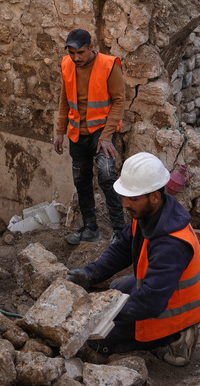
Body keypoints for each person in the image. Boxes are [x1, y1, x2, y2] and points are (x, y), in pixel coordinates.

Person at [66, 152, 200, 366]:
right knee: (118, 287)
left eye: (132, 198)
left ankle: (178, 335)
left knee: (99, 341)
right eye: (125, 196)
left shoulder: (171, 245)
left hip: (175, 310)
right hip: (162, 294)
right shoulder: (151, 213)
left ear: (154, 196)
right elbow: (121, 250)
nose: (125, 204)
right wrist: (90, 274)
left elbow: (149, 304)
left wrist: (100, 313)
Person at [53, 29, 126, 245]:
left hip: (101, 133)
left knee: (106, 175)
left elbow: (119, 101)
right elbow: (64, 100)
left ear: (91, 48)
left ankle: (120, 232)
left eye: (81, 52)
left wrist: (106, 136)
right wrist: (60, 131)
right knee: (81, 181)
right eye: (72, 52)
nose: (76, 57)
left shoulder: (109, 65)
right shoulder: (67, 64)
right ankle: (90, 229)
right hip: (77, 133)